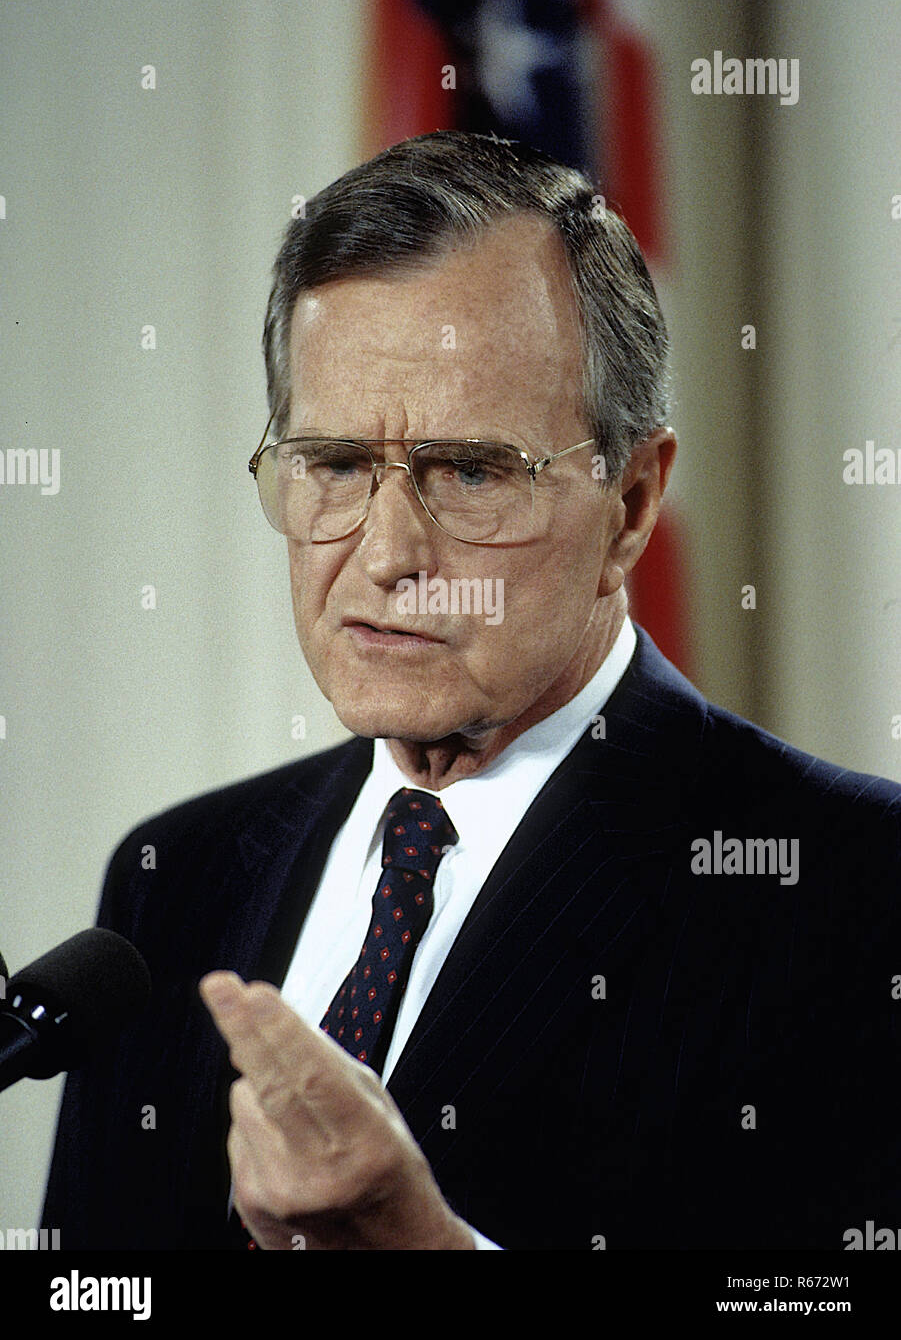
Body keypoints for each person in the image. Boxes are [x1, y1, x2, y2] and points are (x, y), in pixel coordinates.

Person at [41, 132, 901, 1250]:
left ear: (630, 503)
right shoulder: (173, 880)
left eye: (470, 471)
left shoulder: (847, 891)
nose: (388, 551)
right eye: (336, 464)